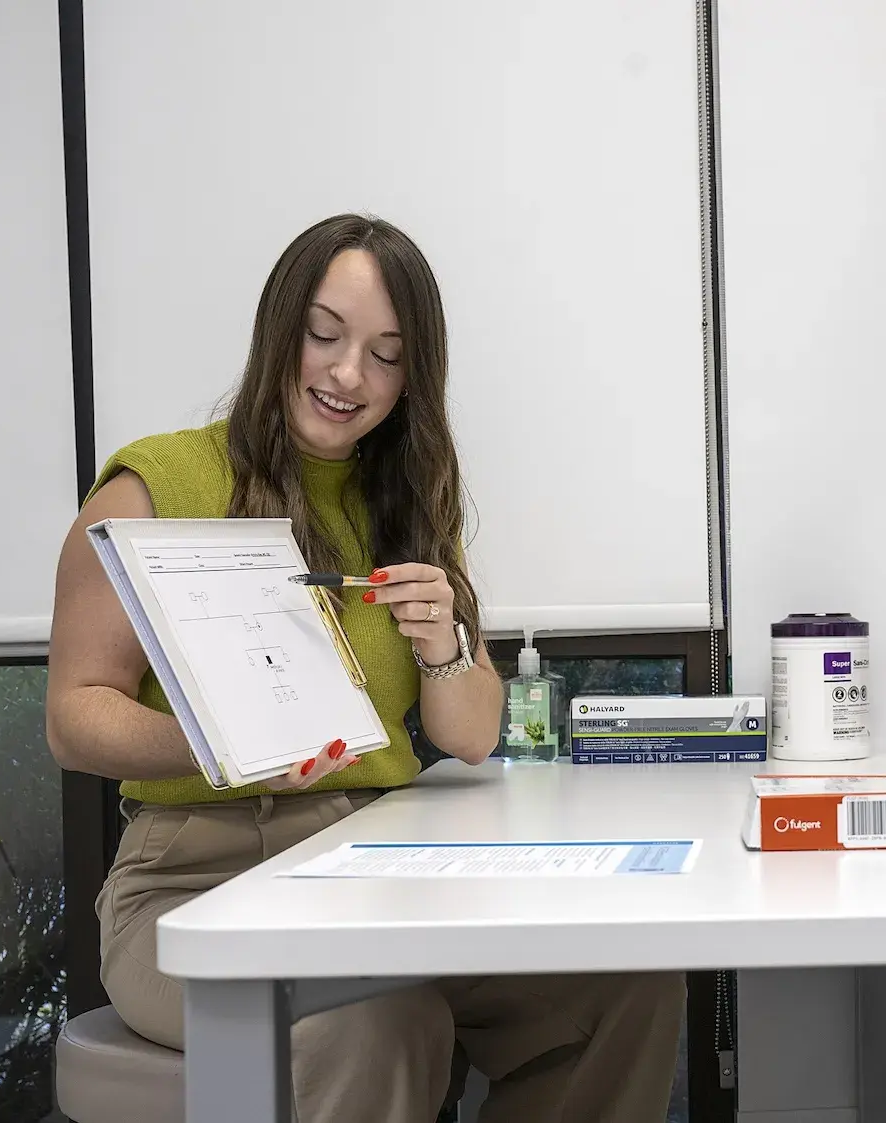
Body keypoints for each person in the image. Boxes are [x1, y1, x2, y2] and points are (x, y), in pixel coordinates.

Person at [46, 214, 683, 1123]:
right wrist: (220, 735)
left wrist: (445, 645)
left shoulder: (407, 498)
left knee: (624, 990)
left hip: (367, 869)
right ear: (279, 328)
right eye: (324, 335)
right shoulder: (152, 487)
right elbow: (74, 719)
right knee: (384, 1017)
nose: (349, 375)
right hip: (192, 883)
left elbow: (467, 735)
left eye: (387, 354)